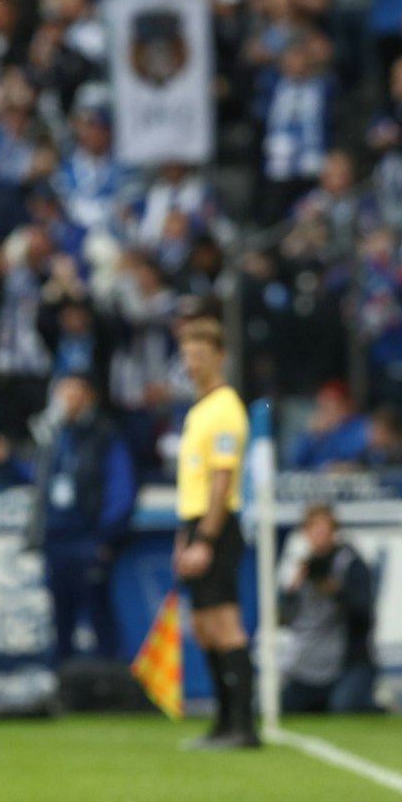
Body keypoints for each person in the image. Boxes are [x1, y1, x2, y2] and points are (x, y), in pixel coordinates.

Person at [173, 317, 260, 749]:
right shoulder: (199, 410)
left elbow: (221, 482)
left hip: (217, 525)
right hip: (196, 522)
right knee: (204, 627)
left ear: (219, 358)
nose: (192, 364)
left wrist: (205, 540)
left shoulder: (226, 409)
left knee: (225, 625)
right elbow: (192, 483)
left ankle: (243, 726)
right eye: (188, 356)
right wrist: (183, 538)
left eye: (200, 356)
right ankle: (224, 723)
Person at [39, 374, 136, 665]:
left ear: (89, 396)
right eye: (62, 392)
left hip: (88, 538)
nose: (66, 399)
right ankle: (62, 683)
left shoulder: (104, 435)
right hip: (57, 539)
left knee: (99, 614)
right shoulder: (54, 436)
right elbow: (40, 479)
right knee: (61, 618)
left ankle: (111, 681)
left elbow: (122, 490)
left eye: (73, 392)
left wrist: (105, 537)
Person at [278, 505, 379, 714]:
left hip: (348, 664)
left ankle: (373, 703)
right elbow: (281, 619)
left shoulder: (350, 563)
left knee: (343, 708)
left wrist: (337, 592)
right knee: (283, 709)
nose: (320, 537)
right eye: (314, 531)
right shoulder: (298, 566)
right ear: (305, 533)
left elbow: (365, 614)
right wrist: (291, 592)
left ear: (335, 532)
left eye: (325, 531)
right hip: (307, 667)